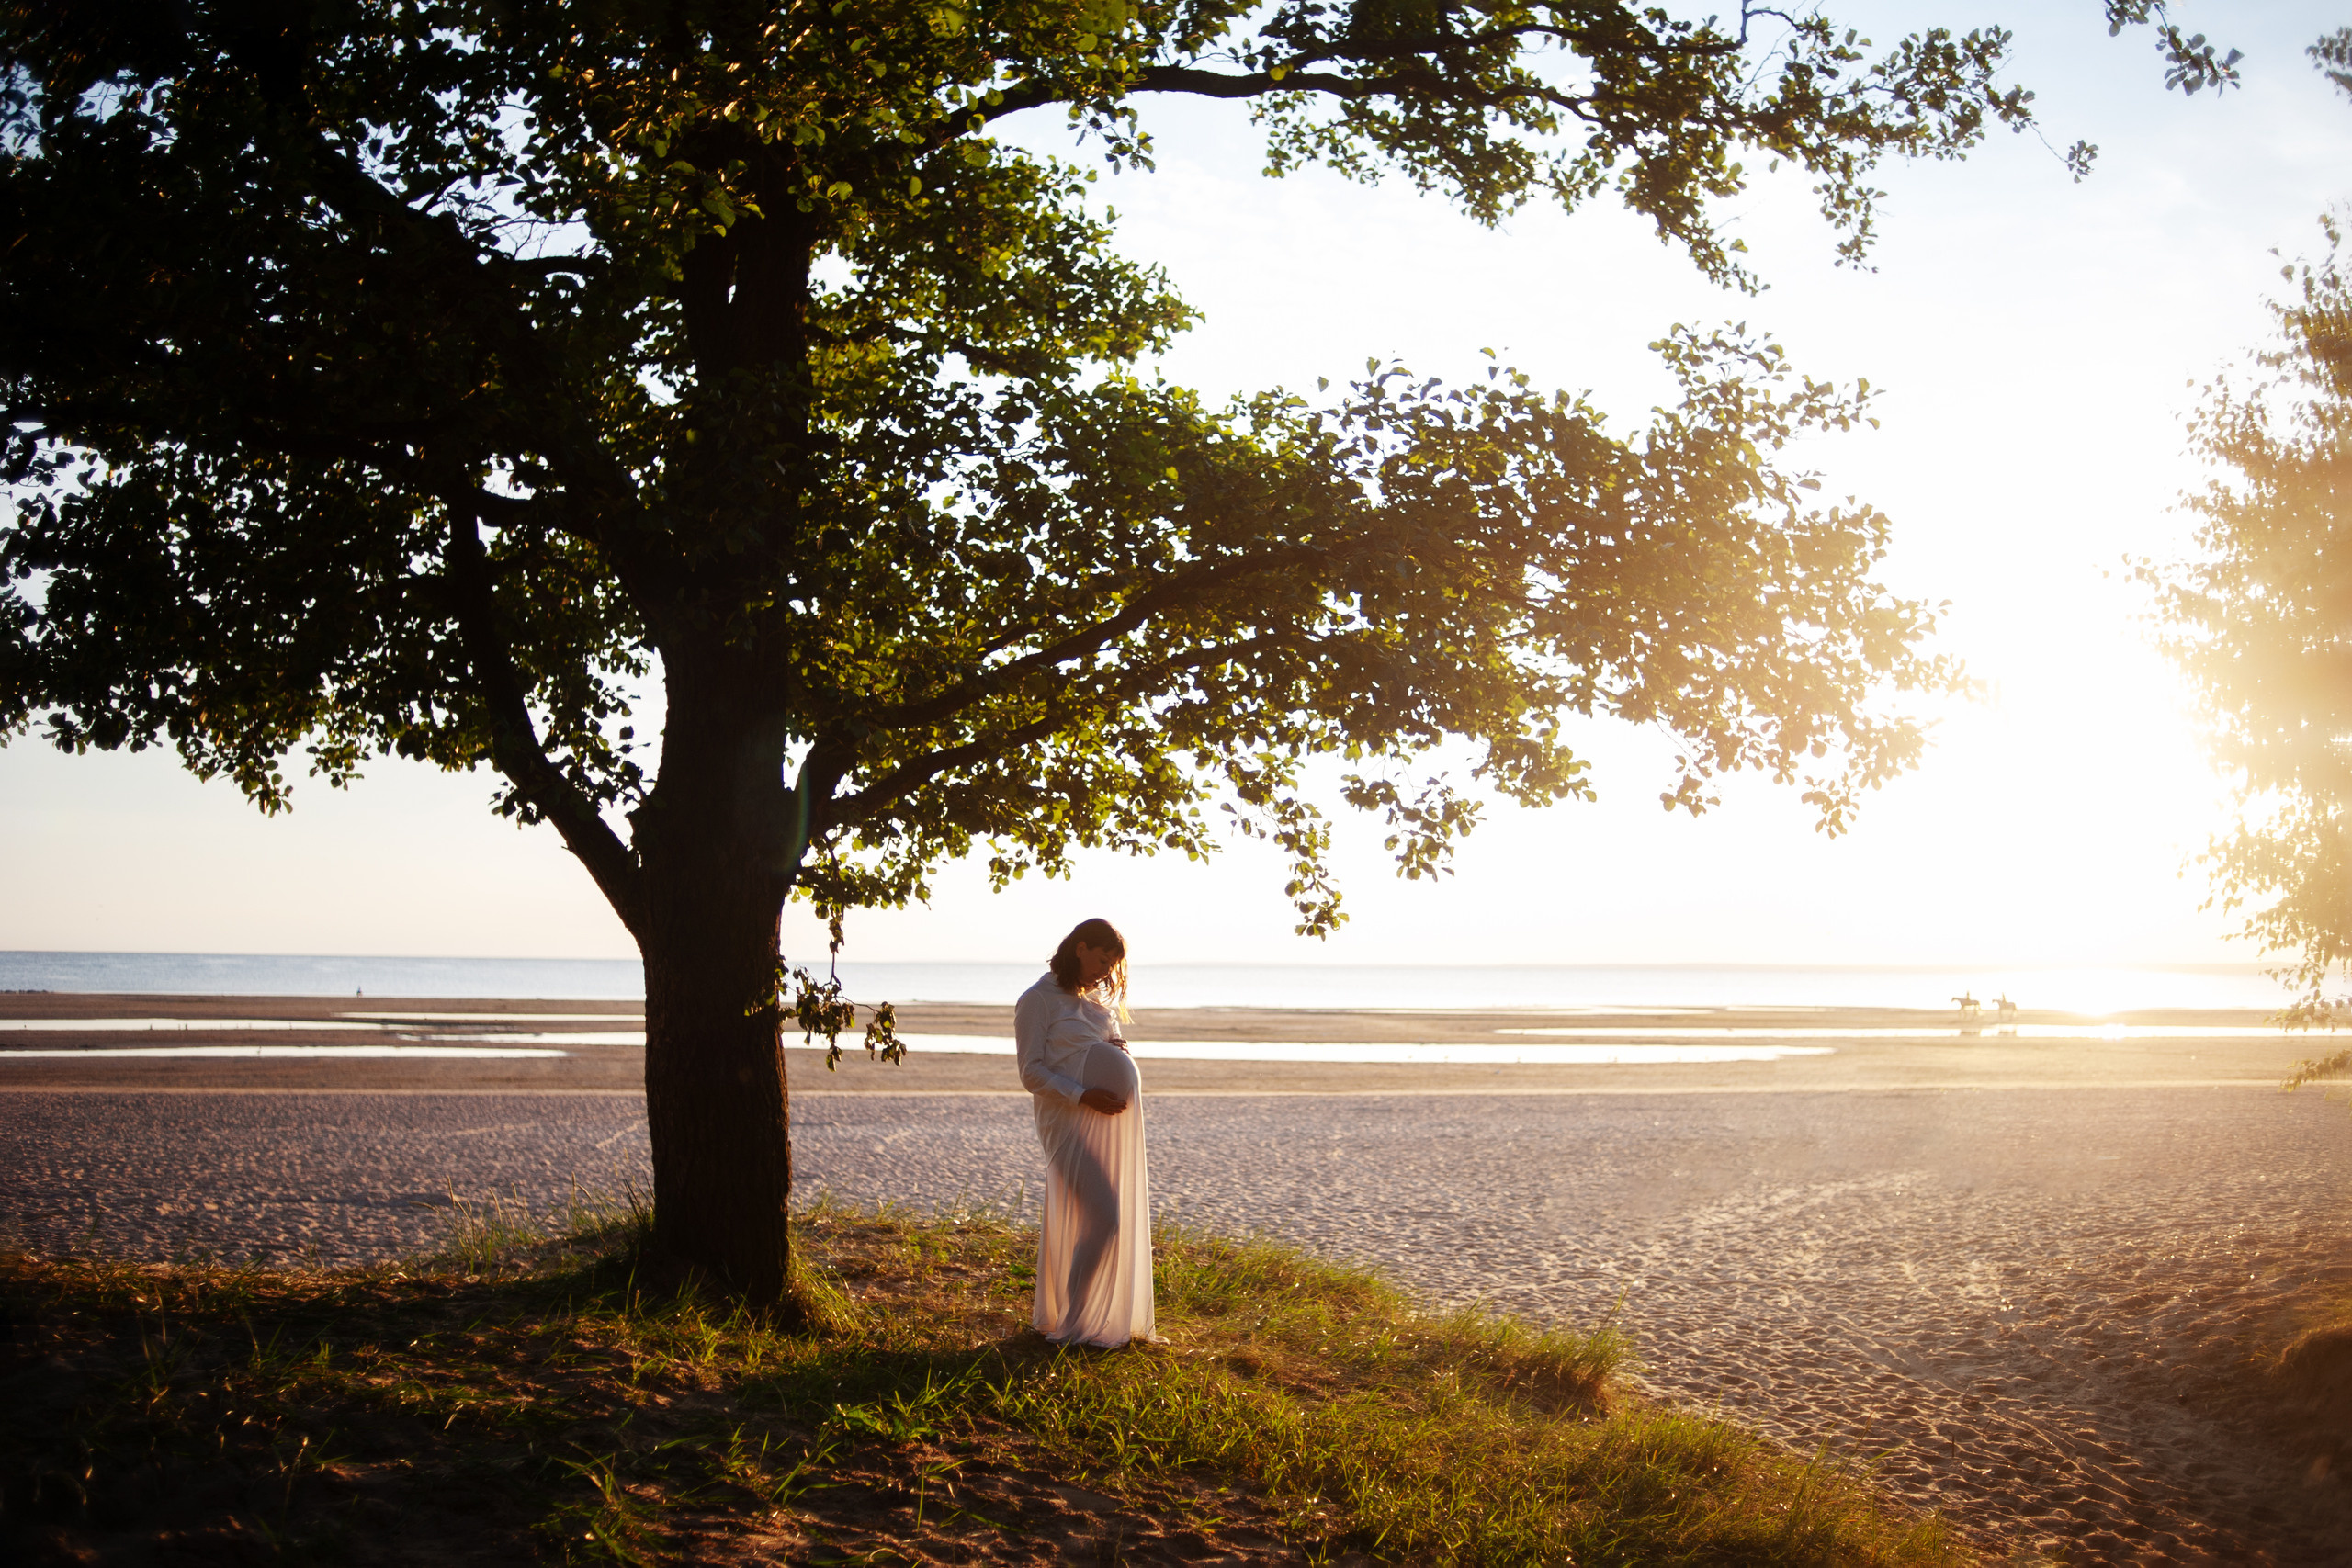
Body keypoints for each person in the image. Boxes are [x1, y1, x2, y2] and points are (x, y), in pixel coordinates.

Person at [1013, 918, 1156, 1346]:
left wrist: (1119, 1051)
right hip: (1067, 1122)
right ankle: (1074, 1323)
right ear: (1079, 948)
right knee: (1106, 1218)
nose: (1105, 970)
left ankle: (1093, 1317)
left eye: (1112, 963)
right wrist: (1081, 1095)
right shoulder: (1037, 1000)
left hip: (1106, 1122)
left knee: (1102, 1217)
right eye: (1101, 958)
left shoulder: (1096, 1003)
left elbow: (1105, 1049)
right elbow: (1031, 1072)